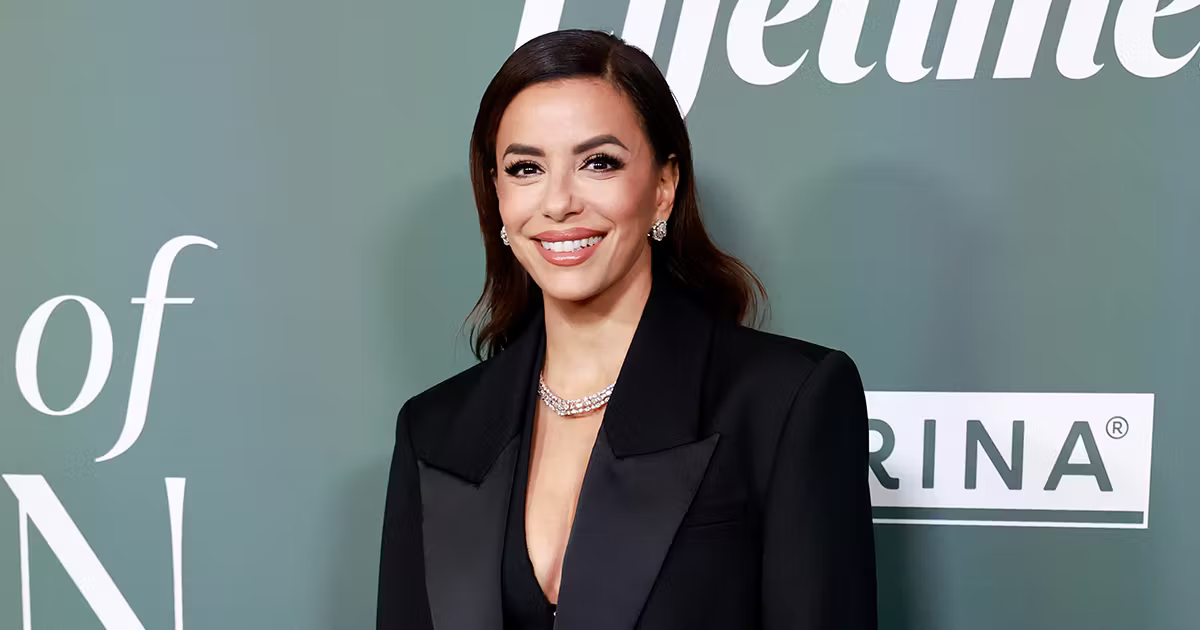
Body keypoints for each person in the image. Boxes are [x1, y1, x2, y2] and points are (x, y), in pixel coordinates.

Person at [377, 28, 877, 630]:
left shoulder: (785, 401)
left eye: (598, 163)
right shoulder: (433, 431)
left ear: (664, 188)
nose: (558, 202)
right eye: (526, 168)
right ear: (498, 195)